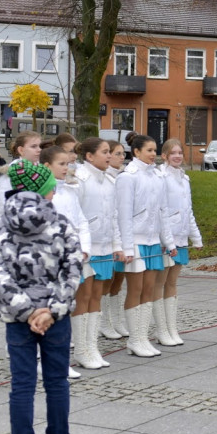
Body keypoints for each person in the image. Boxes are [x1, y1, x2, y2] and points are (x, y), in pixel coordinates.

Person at [0, 161, 82, 434]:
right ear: (45, 191)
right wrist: (51, 310)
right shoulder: (63, 224)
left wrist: (26, 311)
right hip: (55, 318)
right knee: (56, 383)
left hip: (17, 319)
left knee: (22, 386)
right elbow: (73, 270)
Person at [116, 134, 175, 357]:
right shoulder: (128, 177)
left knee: (149, 290)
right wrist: (128, 248)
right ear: (137, 152)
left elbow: (163, 212)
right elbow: (123, 215)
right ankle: (134, 338)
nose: (153, 154)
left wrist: (168, 242)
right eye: (148, 150)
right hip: (136, 242)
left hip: (152, 242)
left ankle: (142, 337)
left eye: (154, 150)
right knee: (136, 289)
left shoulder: (157, 177)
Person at [42, 145, 94, 374]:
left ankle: (60, 359)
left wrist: (83, 248)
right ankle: (44, 360)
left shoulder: (70, 191)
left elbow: (81, 222)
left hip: (71, 259)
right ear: (46, 166)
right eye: (61, 164)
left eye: (67, 164)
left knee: (64, 310)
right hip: (51, 262)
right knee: (48, 310)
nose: (66, 168)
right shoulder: (41, 195)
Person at [75, 138, 121, 361]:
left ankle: (92, 347)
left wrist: (116, 245)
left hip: (104, 248)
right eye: (104, 152)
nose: (109, 156)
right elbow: (77, 217)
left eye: (109, 152)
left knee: (96, 298)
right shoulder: (80, 180)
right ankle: (81, 349)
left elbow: (113, 218)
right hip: (87, 250)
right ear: (90, 156)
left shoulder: (109, 181)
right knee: (83, 298)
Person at [155, 139, 202, 346]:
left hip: (181, 236)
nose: (177, 156)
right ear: (164, 156)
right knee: (160, 282)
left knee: (172, 283)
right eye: (173, 153)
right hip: (166, 238)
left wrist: (196, 236)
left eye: (180, 152)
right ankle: (161, 329)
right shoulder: (160, 177)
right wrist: (166, 239)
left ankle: (172, 327)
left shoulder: (185, 179)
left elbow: (188, 211)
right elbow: (161, 211)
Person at [101, 139, 130, 339]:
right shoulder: (105, 178)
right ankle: (105, 322)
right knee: (107, 279)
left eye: (123, 154)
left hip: (122, 232)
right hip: (109, 235)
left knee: (119, 279)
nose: (121, 158)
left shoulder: (123, 177)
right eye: (118, 154)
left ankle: (117, 319)